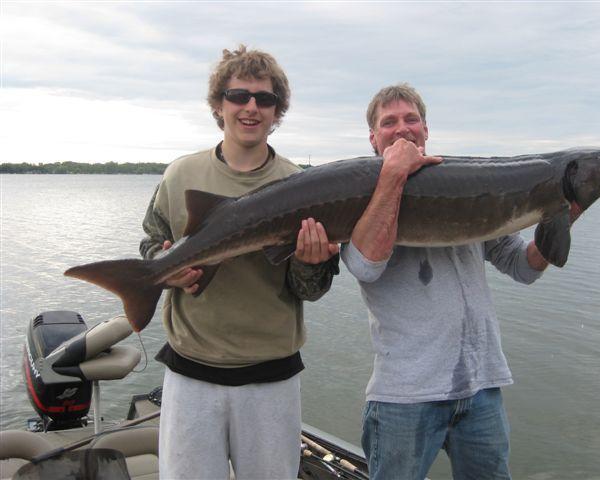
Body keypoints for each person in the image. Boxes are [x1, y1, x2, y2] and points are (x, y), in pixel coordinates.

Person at [341, 83, 577, 480]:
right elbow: (366, 266)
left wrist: (565, 212)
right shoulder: (357, 195)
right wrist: (394, 174)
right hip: (405, 396)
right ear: (373, 138)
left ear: (426, 129)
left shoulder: (470, 189)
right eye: (389, 122)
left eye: (411, 119)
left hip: (481, 388)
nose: (402, 128)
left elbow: (523, 266)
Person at [140, 45, 339, 480]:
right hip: (191, 371)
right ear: (219, 104)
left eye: (264, 99)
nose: (251, 107)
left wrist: (311, 263)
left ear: (277, 111)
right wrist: (166, 268)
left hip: (271, 377)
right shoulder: (181, 175)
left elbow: (310, 291)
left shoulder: (302, 184)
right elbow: (151, 244)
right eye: (238, 96)